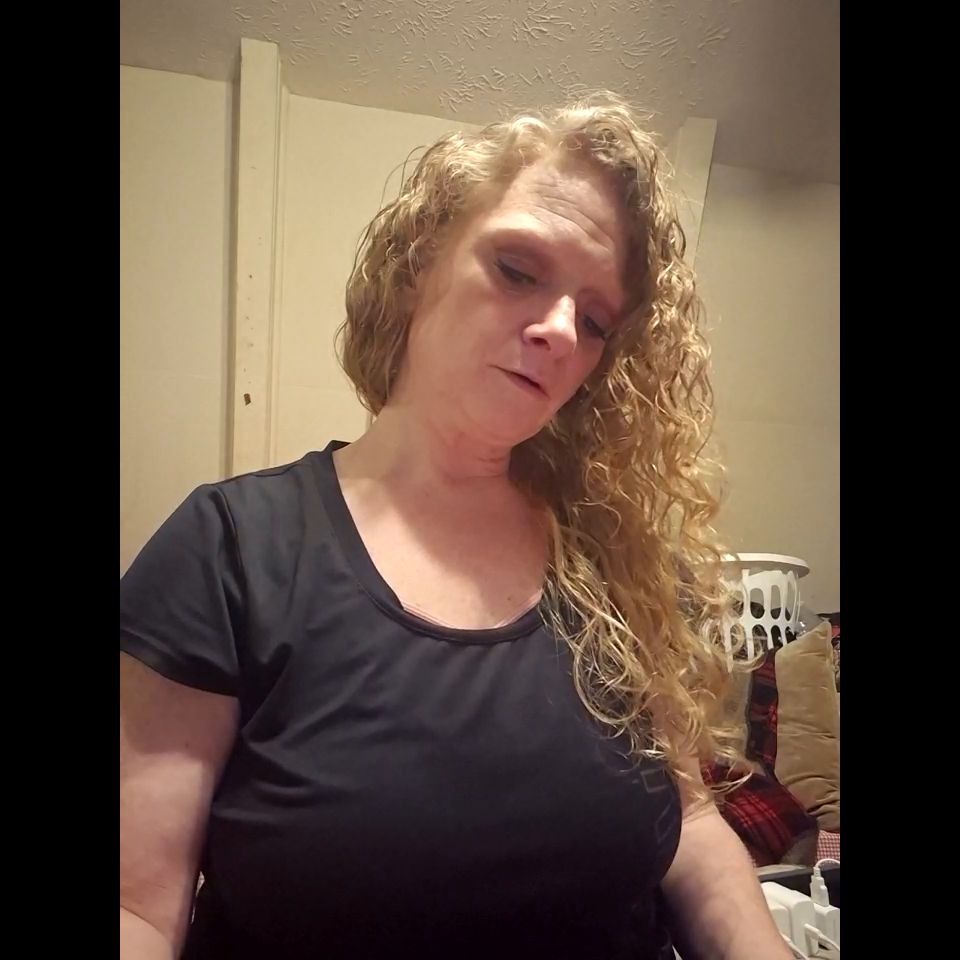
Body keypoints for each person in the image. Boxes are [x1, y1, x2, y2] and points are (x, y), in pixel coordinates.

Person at [120, 92, 792, 959]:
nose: (561, 330)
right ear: (417, 266)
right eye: (518, 269)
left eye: (595, 319)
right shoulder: (230, 550)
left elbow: (690, 827)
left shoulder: (613, 562)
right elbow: (138, 910)